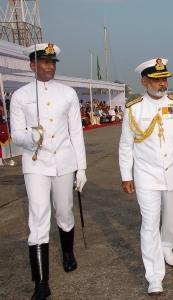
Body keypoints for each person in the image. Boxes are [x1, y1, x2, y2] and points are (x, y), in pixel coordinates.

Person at [10, 43, 87, 300]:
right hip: (36, 163)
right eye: (44, 62)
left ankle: (67, 252)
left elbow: (76, 132)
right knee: (39, 215)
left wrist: (82, 167)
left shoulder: (68, 93)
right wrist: (33, 137)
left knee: (64, 211)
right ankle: (41, 283)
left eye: (52, 62)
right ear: (32, 65)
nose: (50, 67)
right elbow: (16, 135)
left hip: (64, 161)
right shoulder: (20, 96)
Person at [119, 57, 173, 295]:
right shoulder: (134, 108)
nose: (162, 84)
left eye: (164, 79)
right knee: (149, 223)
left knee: (171, 216)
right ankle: (154, 275)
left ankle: (167, 246)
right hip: (146, 175)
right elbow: (126, 145)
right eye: (156, 79)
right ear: (144, 81)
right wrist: (126, 175)